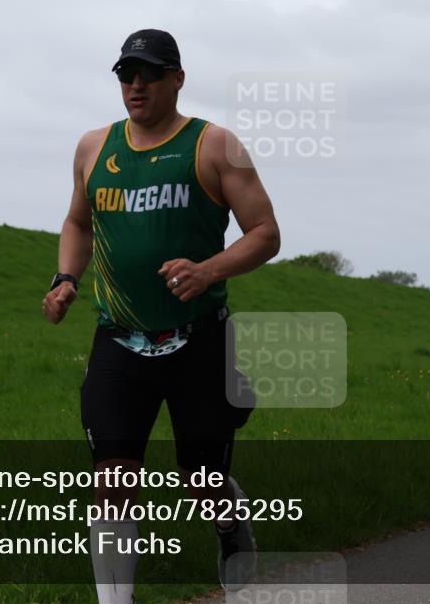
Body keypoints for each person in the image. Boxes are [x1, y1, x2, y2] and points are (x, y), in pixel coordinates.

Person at [42, 29, 281, 604]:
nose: (136, 85)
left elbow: (266, 234)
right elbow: (77, 221)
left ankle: (229, 527)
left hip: (198, 339)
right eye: (126, 74)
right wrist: (66, 278)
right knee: (111, 482)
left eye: (148, 73)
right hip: (118, 342)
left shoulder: (214, 144)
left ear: (177, 77)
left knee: (203, 481)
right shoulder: (94, 147)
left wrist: (209, 270)